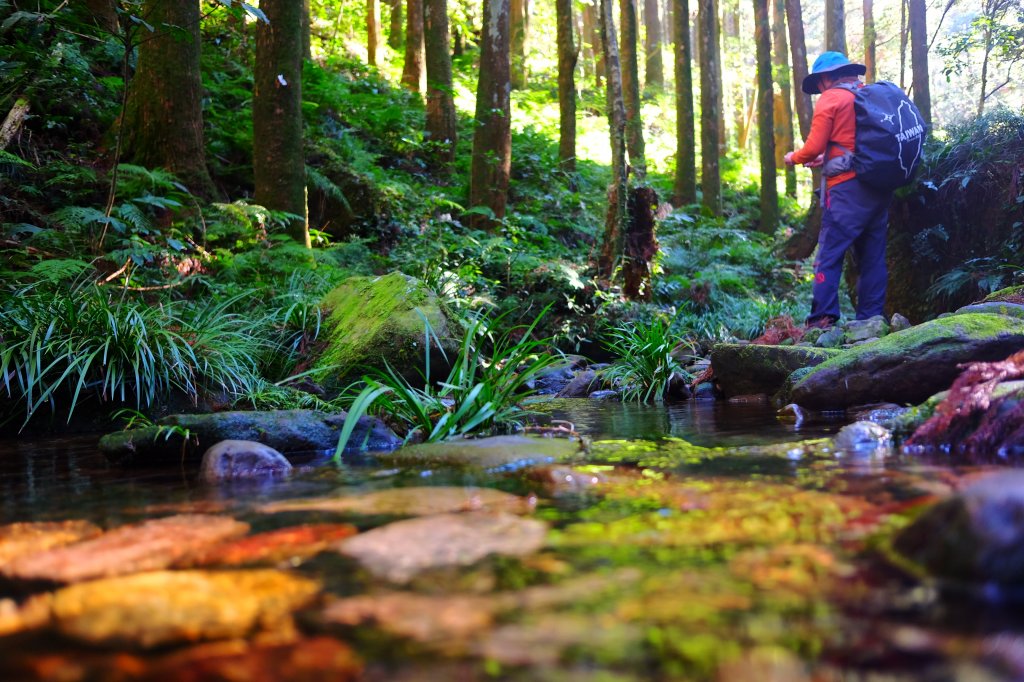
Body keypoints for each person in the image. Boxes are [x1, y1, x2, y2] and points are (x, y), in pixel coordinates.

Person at [784, 51, 893, 329]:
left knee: (829, 254)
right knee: (873, 255)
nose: (819, 89)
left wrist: (794, 157)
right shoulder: (867, 94)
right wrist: (825, 158)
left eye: (819, 83)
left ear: (825, 78)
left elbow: (813, 146)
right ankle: (870, 320)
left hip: (846, 191)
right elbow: (855, 143)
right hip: (878, 186)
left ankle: (823, 319)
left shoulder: (832, 98)